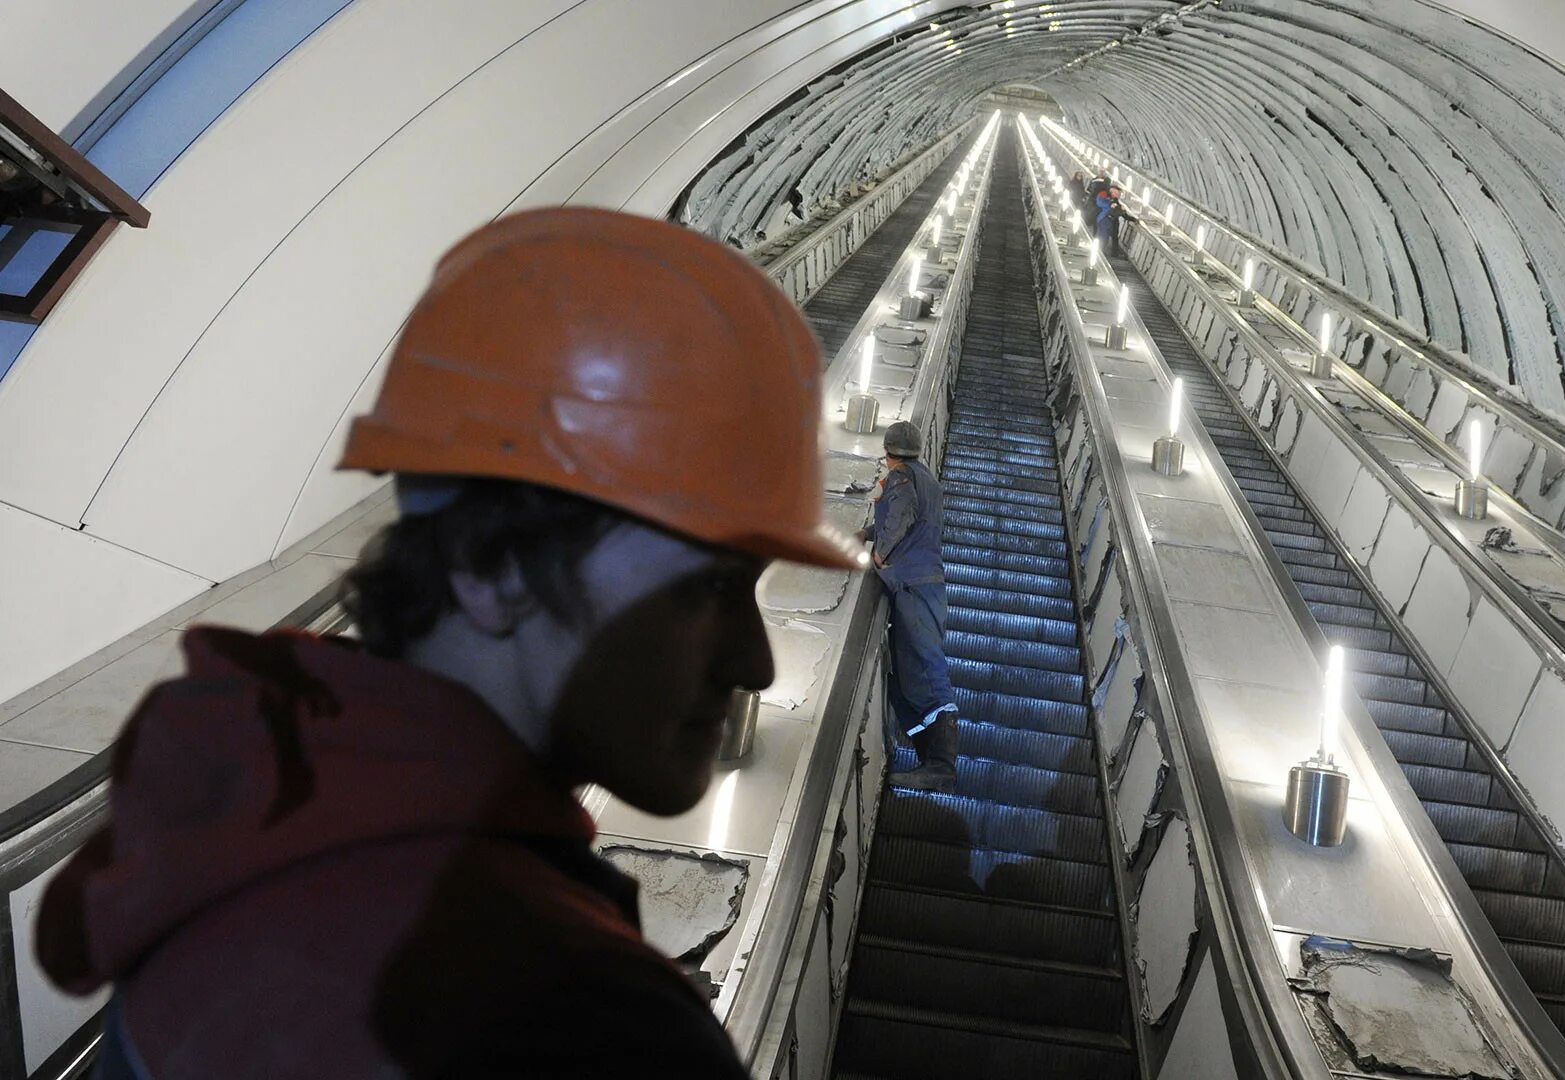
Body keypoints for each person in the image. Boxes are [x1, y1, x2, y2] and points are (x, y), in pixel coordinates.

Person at [34, 209, 865, 1078]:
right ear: (493, 565)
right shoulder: (576, 1019)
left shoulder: (233, 838)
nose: (756, 662)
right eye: (708, 588)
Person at [858, 420, 958, 792]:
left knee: (927, 664)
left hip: (915, 583)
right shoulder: (925, 477)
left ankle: (942, 765)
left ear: (888, 452)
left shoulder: (901, 479)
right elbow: (916, 519)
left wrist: (879, 553)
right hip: (917, 583)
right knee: (907, 674)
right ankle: (925, 759)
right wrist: (868, 533)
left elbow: (902, 515)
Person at [1095, 183, 1137, 255]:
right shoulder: (1105, 195)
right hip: (1104, 219)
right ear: (1113, 191)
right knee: (1103, 237)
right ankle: (1099, 252)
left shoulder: (1115, 200)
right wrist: (1110, 205)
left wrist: (1133, 219)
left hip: (1109, 221)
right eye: (1118, 193)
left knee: (1104, 238)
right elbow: (1100, 202)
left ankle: (1102, 252)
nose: (1119, 196)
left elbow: (1120, 212)